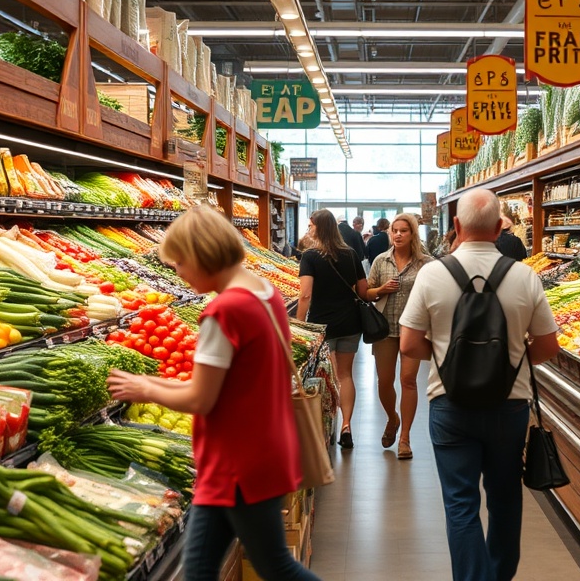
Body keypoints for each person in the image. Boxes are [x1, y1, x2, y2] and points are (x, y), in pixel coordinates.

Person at [106, 206, 320, 581]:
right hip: (252, 450)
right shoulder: (263, 291)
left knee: (275, 566)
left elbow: (201, 400)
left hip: (240, 462)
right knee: (201, 570)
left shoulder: (224, 312)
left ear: (201, 255)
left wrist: (145, 387)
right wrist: (152, 384)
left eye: (179, 262)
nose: (178, 273)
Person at [399, 188, 560, 581]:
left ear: (456, 226)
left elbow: (407, 343)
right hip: (509, 407)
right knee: (506, 499)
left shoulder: (433, 274)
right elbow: (547, 347)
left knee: (460, 505)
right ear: (501, 227)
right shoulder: (524, 276)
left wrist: (444, 356)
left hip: (450, 405)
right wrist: (511, 363)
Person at [299, 209, 368, 448]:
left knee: (323, 378)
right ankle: (346, 426)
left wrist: (299, 326)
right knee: (345, 375)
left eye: (311, 225)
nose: (309, 229)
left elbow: (305, 294)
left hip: (321, 326)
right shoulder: (351, 255)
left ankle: (323, 430)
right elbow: (362, 290)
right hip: (350, 323)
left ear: (319, 227)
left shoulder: (310, 256)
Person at [365, 213, 431, 460]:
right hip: (385, 329)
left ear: (413, 234)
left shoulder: (426, 264)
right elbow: (367, 293)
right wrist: (381, 290)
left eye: (404, 230)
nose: (399, 234)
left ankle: (405, 438)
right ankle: (392, 418)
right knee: (384, 381)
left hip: (413, 331)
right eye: (395, 230)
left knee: (408, 381)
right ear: (389, 233)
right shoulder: (381, 261)